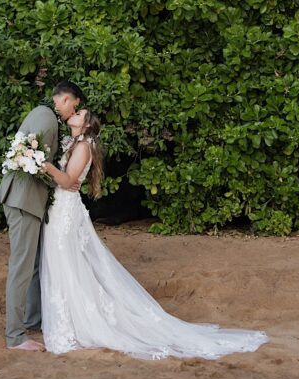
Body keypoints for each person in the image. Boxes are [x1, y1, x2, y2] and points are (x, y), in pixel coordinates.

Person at [40, 108, 269, 360]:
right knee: (68, 263)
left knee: (68, 263)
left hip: (65, 211)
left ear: (85, 125)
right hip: (62, 209)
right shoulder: (75, 143)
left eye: (79, 113)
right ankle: (70, 317)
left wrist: (46, 166)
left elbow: (67, 179)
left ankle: (77, 322)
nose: (73, 112)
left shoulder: (83, 146)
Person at [0, 80, 83, 351]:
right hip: (23, 200)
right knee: (22, 266)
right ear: (66, 100)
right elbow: (31, 159)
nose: (73, 113)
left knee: (31, 265)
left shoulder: (42, 114)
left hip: (28, 201)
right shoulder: (47, 118)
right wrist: (63, 180)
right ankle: (15, 336)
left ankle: (32, 320)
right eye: (74, 107)